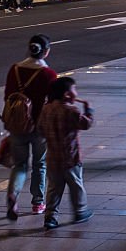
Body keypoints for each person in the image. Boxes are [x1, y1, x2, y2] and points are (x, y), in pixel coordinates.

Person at [4, 35, 58, 220]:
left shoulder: (15, 69)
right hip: (39, 127)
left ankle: (13, 194)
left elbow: (8, 96)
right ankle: (37, 202)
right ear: (46, 51)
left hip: (17, 125)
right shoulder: (48, 74)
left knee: (19, 165)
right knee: (39, 164)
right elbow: (52, 102)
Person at [37, 77, 94, 229]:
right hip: (70, 158)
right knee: (76, 185)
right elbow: (86, 124)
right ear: (67, 95)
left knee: (54, 188)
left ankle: (50, 216)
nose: (76, 92)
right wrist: (88, 110)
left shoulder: (46, 109)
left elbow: (40, 129)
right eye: (74, 89)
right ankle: (80, 211)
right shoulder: (71, 110)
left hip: (52, 157)